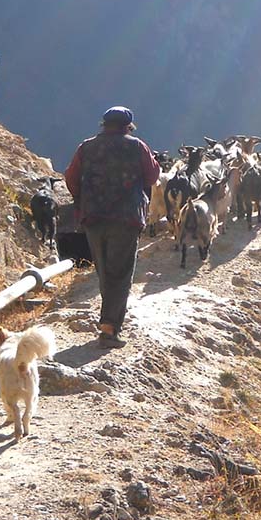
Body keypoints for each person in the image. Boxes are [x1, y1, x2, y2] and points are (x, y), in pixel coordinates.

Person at [64, 106, 160, 348]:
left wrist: (82, 200)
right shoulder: (137, 146)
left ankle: (108, 320)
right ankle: (108, 329)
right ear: (128, 126)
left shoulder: (86, 147)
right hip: (126, 219)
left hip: (93, 218)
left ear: (104, 125)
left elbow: (71, 178)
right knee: (121, 272)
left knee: (104, 270)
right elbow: (151, 176)